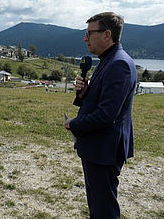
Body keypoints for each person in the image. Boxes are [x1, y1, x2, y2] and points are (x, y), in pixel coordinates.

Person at [64, 12, 137, 218]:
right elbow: (103, 103)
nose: (85, 38)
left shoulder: (119, 64)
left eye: (89, 33)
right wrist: (85, 93)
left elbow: (106, 115)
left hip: (104, 150)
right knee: (98, 207)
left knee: (104, 210)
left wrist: (74, 124)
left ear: (107, 35)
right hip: (98, 148)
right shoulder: (107, 61)